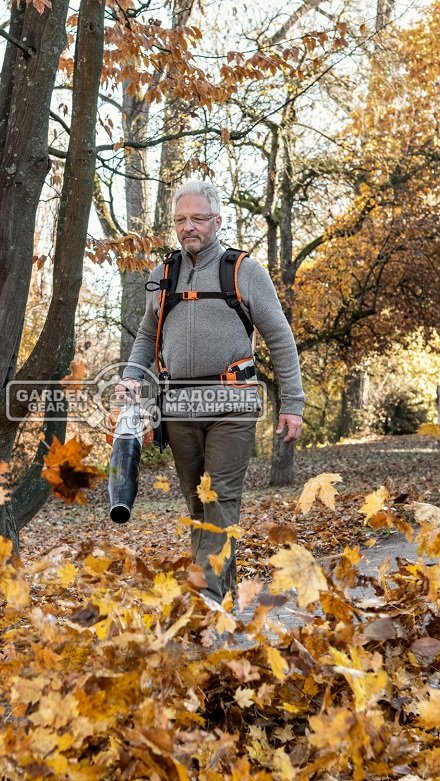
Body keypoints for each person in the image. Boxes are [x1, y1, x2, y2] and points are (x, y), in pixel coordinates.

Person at [119, 179, 304, 605]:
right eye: (181, 220)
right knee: (198, 506)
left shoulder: (245, 271)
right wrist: (131, 375)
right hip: (179, 407)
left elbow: (280, 337)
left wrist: (290, 403)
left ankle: (204, 600)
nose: (189, 227)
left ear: (217, 221)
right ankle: (221, 596)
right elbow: (148, 335)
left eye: (199, 218)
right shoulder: (162, 274)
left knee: (220, 497)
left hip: (232, 405)